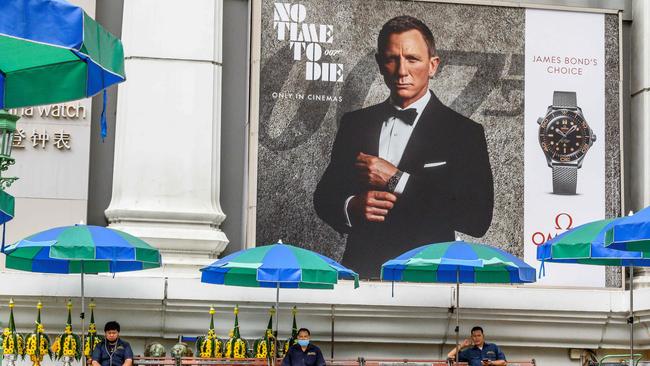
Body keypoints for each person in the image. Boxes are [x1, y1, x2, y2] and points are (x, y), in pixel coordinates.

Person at [313, 15, 494, 278]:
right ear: (379, 64)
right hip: (362, 273)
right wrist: (351, 206)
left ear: (432, 66)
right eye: (391, 59)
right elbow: (325, 196)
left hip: (429, 278)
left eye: (412, 59)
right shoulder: (355, 124)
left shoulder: (464, 133)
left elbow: (476, 218)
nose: (401, 71)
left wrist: (398, 179)